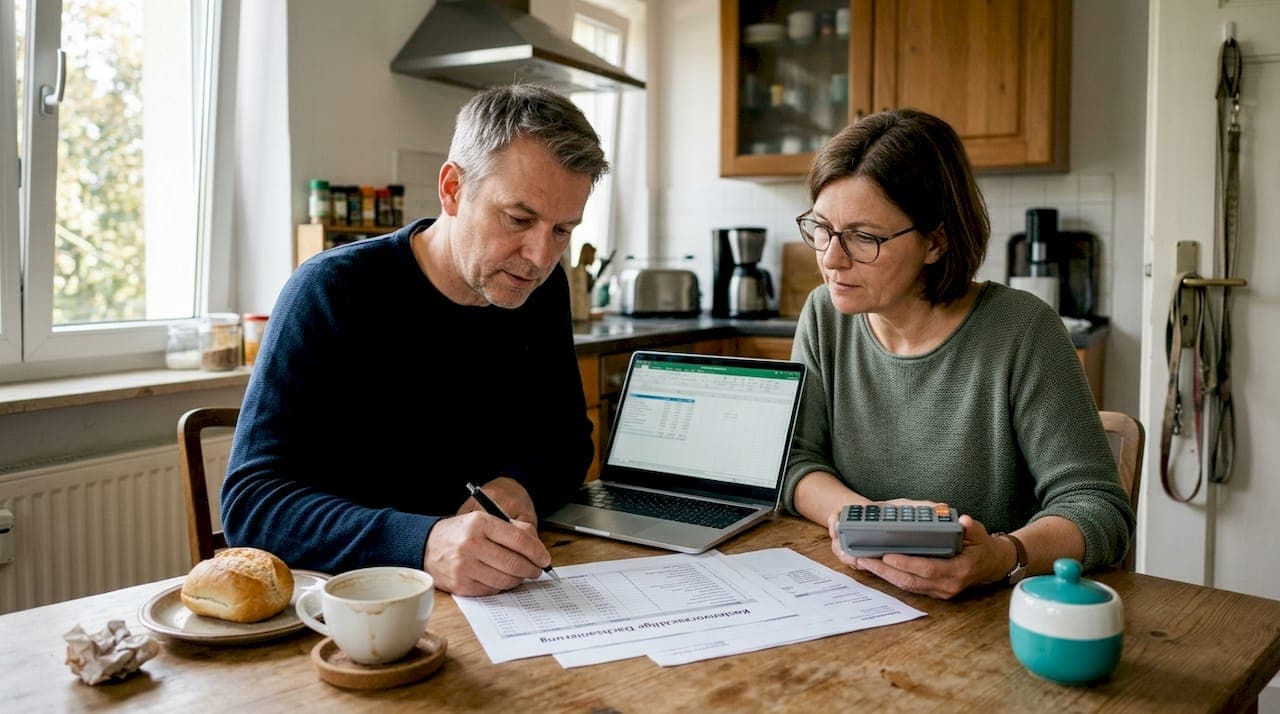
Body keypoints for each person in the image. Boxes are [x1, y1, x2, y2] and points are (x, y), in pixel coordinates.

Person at [222, 84, 607, 596]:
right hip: (355, 608)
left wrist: (520, 486)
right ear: (452, 189)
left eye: (563, 230)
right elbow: (253, 505)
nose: (539, 256)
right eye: (518, 219)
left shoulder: (541, 288)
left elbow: (566, 440)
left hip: (498, 598)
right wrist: (422, 542)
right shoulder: (330, 292)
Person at [783, 109, 1134, 600]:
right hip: (856, 596)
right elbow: (795, 460)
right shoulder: (825, 315)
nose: (830, 259)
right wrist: (864, 520)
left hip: (993, 614)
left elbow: (1098, 509)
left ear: (936, 241)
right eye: (822, 229)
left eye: (864, 237)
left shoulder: (1022, 330)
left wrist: (1001, 556)